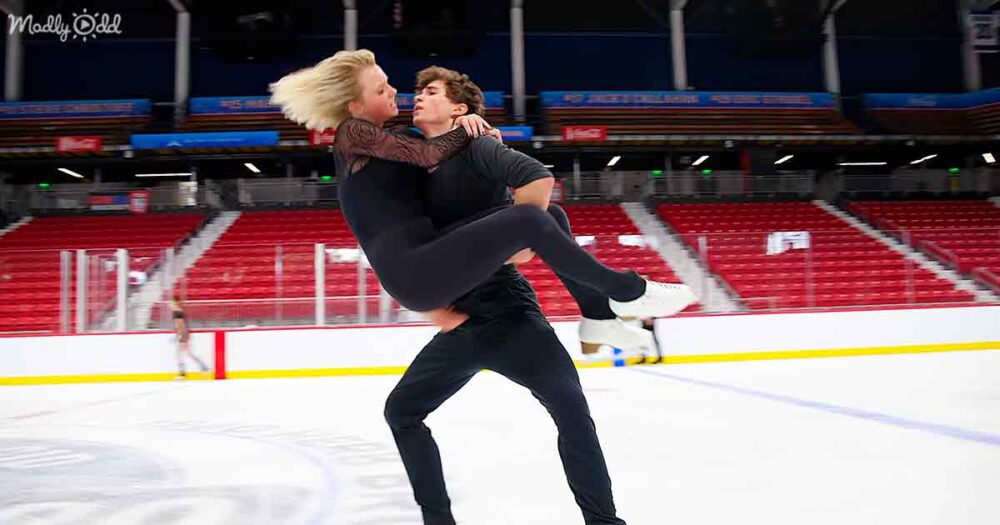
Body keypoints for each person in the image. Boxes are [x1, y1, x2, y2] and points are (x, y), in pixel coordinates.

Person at [268, 49, 696, 329]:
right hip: (413, 270)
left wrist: (477, 135)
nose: (395, 90)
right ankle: (627, 291)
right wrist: (466, 132)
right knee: (529, 217)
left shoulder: (391, 141)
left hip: (426, 260)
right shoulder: (354, 135)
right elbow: (429, 157)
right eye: (382, 89)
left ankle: (598, 317)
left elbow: (436, 162)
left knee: (549, 216)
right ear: (355, 106)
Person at [383, 65, 629, 525]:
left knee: (573, 410)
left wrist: (520, 239)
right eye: (416, 92)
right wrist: (435, 308)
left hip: (510, 313)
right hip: (462, 324)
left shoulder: (480, 148)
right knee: (401, 412)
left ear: (460, 108)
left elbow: (532, 195)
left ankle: (604, 522)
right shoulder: (409, 163)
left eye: (429, 92)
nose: (416, 97)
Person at [170, 294, 209, 379]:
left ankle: (183, 373)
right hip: (185, 335)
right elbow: (180, 325)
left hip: (184, 335)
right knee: (187, 353)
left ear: (175, 303)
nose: (170, 304)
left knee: (181, 354)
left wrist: (182, 337)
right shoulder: (179, 311)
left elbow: (181, 325)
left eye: (171, 302)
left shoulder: (176, 312)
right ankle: (203, 367)